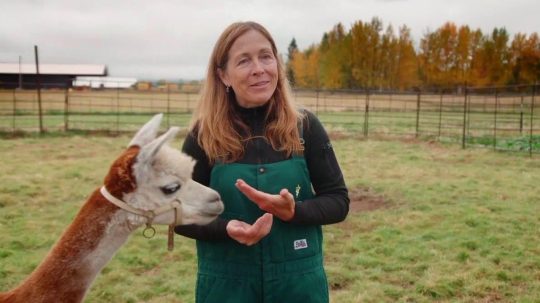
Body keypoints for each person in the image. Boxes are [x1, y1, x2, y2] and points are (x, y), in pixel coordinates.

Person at [175, 21, 349, 303]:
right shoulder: (203, 136)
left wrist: (294, 212)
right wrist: (226, 228)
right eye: (244, 61)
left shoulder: (305, 127)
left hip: (298, 285)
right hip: (226, 287)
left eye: (266, 56)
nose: (259, 68)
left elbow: (339, 201)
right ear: (223, 76)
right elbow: (178, 214)